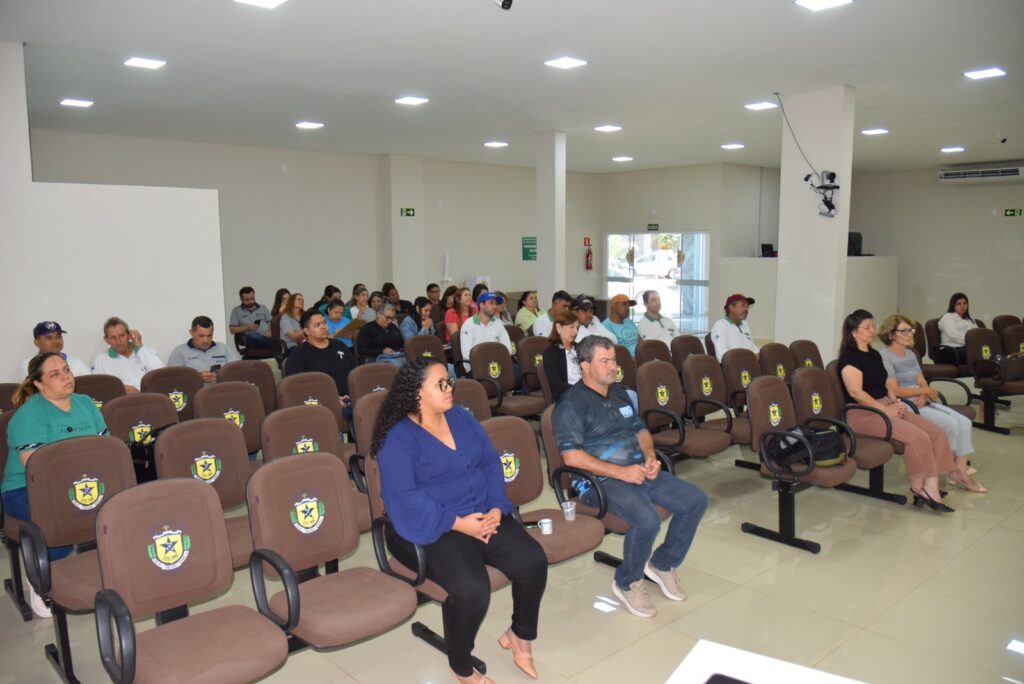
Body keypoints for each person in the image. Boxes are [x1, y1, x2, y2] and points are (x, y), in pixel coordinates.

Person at [372, 358, 547, 683]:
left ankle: (520, 634)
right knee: (471, 589)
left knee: (533, 561)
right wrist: (460, 524)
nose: (450, 387)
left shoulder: (460, 418)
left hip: (481, 512)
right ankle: (461, 666)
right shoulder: (398, 439)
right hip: (431, 528)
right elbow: (406, 499)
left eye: (449, 380)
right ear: (416, 393)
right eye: (440, 384)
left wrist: (496, 507)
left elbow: (491, 463)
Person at [553, 336, 707, 618]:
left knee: (695, 500)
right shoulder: (571, 405)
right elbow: (571, 457)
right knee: (647, 519)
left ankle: (662, 564)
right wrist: (621, 471)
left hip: (639, 471)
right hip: (598, 482)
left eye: (614, 360)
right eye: (605, 361)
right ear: (585, 366)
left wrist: (650, 457)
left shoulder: (620, 393)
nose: (614, 366)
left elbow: (642, 432)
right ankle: (627, 582)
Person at [3, 353, 108, 618]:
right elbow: (38, 471)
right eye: (55, 374)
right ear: (38, 384)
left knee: (117, 506)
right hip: (26, 489)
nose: (66, 377)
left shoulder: (85, 403)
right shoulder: (28, 416)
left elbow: (106, 449)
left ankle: (103, 571)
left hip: (81, 482)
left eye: (66, 370)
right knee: (59, 516)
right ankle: (42, 579)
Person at [838, 309, 958, 512]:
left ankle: (925, 484)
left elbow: (886, 383)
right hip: (862, 413)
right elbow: (856, 392)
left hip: (883, 405)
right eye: (866, 327)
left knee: (936, 433)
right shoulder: (850, 358)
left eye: (873, 326)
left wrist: (894, 402)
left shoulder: (874, 354)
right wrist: (884, 410)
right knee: (918, 437)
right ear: (853, 332)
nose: (872, 331)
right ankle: (926, 487)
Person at [878, 314, 985, 492]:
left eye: (910, 330)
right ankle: (953, 469)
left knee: (964, 422)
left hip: (920, 400)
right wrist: (924, 392)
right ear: (890, 334)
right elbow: (895, 390)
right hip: (905, 404)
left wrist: (924, 394)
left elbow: (922, 380)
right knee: (951, 424)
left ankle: (959, 468)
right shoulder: (884, 356)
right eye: (903, 331)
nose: (909, 334)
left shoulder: (911, 353)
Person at [284, 310, 355, 415]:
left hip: (350, 398)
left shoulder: (339, 345)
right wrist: (329, 399)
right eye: (317, 325)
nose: (324, 327)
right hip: (320, 404)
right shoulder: (298, 354)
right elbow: (296, 387)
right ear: (307, 331)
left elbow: (355, 372)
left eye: (324, 323)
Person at [92, 317, 164, 392]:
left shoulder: (146, 351)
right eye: (113, 337)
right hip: (121, 401)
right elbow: (98, 388)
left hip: (150, 398)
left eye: (122, 335)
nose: (118, 341)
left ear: (129, 335)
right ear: (106, 340)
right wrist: (122, 388)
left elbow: (161, 374)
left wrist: (139, 347)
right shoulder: (101, 359)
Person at [167, 316, 239, 382]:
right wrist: (196, 377)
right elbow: (172, 379)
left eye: (209, 335)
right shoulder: (179, 352)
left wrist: (221, 376)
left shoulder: (224, 348)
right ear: (191, 333)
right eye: (201, 336)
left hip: (221, 391)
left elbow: (237, 371)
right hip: (194, 393)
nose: (206, 340)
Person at [460, 292, 512, 374]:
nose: (494, 306)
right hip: (476, 368)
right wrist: (490, 359)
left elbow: (508, 348)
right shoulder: (469, 325)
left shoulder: (498, 323)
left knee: (516, 372)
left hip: (496, 365)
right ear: (481, 305)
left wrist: (495, 359)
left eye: (495, 303)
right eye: (491, 303)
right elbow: (467, 354)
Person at [18, 321, 92, 379]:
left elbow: (90, 385)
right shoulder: (28, 364)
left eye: (58, 336)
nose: (56, 341)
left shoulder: (76, 362)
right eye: (49, 338)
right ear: (36, 343)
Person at [541, 309, 580, 402]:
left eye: (577, 328)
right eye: (572, 327)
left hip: (585, 393)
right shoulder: (550, 353)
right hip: (567, 397)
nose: (576, 332)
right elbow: (557, 385)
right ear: (558, 328)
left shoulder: (580, 348)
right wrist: (582, 391)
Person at [708, 293, 759, 362]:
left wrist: (757, 354)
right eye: (743, 305)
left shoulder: (745, 324)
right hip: (733, 368)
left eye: (747, 306)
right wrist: (748, 359)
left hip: (749, 365)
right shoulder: (720, 326)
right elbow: (722, 356)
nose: (746, 309)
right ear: (731, 307)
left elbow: (751, 346)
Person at [937, 292, 978, 365]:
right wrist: (970, 342)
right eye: (958, 303)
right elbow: (953, 335)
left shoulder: (970, 318)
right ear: (953, 305)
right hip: (951, 350)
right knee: (976, 354)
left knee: (986, 352)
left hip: (966, 349)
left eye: (964, 303)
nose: (962, 306)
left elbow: (976, 333)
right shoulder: (948, 317)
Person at [229, 286, 273, 350]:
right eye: (247, 300)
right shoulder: (236, 311)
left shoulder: (263, 308)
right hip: (250, 338)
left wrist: (269, 332)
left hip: (266, 335)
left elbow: (271, 323)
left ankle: (271, 344)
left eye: (252, 298)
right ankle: (274, 345)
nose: (250, 302)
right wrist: (247, 328)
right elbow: (232, 330)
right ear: (241, 299)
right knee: (252, 336)